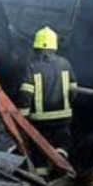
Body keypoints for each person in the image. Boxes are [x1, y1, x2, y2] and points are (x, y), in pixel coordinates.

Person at [17, 26, 77, 178]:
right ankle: (60, 169)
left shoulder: (32, 67)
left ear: (37, 47)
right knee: (62, 144)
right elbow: (74, 90)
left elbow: (25, 94)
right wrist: (66, 105)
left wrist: (23, 117)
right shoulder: (66, 64)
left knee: (39, 150)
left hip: (40, 120)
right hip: (63, 118)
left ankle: (42, 181)